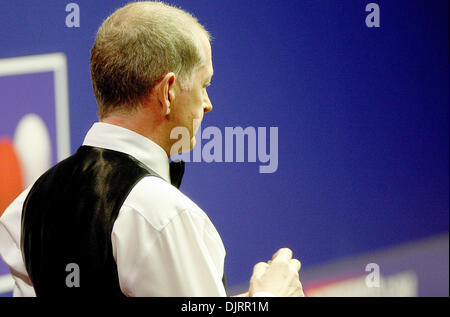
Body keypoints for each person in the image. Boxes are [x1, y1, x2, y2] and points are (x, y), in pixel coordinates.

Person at [0, 1, 304, 297]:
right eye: (204, 84)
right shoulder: (162, 216)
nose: (208, 103)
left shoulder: (26, 206)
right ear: (168, 91)